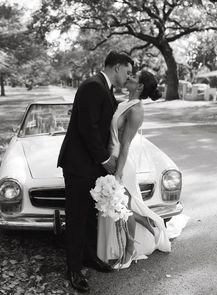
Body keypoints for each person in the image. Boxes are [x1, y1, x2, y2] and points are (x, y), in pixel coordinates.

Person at [57, 51, 133, 293]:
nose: (128, 76)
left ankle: (89, 257)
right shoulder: (93, 86)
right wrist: (104, 159)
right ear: (117, 67)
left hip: (91, 165)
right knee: (77, 217)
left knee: (90, 215)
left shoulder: (105, 88)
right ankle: (74, 269)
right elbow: (87, 127)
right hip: (79, 165)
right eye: (127, 72)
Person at [97, 70, 171, 269]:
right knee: (122, 206)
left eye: (133, 78)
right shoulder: (124, 102)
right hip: (111, 158)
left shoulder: (136, 109)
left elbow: (126, 144)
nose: (128, 78)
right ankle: (147, 222)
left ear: (139, 87)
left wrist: (119, 171)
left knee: (124, 208)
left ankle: (130, 252)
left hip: (122, 161)